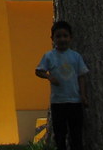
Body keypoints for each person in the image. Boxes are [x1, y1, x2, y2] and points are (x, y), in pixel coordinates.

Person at [36, 20, 89, 150]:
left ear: (71, 38)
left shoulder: (75, 57)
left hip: (74, 101)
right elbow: (38, 71)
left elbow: (81, 76)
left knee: (76, 133)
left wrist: (83, 95)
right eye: (58, 36)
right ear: (53, 39)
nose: (62, 39)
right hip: (58, 102)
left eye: (65, 36)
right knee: (60, 134)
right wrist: (49, 77)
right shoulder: (49, 56)